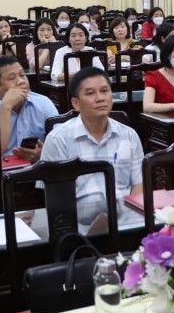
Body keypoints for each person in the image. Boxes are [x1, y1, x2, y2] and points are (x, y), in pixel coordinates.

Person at [40, 67, 144, 225]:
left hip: (125, 222)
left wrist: (131, 222)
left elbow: (139, 185)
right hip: (79, 227)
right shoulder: (58, 139)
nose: (100, 98)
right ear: (76, 103)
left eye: (104, 91)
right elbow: (55, 197)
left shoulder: (129, 135)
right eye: (90, 93)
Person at [0, 56, 57, 161]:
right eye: (12, 78)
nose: (21, 81)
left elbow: (61, 143)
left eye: (22, 75)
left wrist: (42, 153)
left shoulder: (43, 103)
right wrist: (6, 107)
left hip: (33, 171)